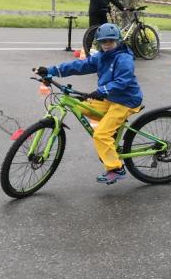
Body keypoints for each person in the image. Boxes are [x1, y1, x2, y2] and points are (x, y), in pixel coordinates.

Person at [35, 23, 142, 185]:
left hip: (125, 100)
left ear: (118, 40)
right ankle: (111, 135)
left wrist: (102, 90)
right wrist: (51, 70)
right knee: (79, 106)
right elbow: (79, 66)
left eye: (110, 41)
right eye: (103, 41)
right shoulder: (101, 56)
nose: (107, 44)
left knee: (101, 134)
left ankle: (116, 169)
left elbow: (123, 81)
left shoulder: (124, 59)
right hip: (109, 98)